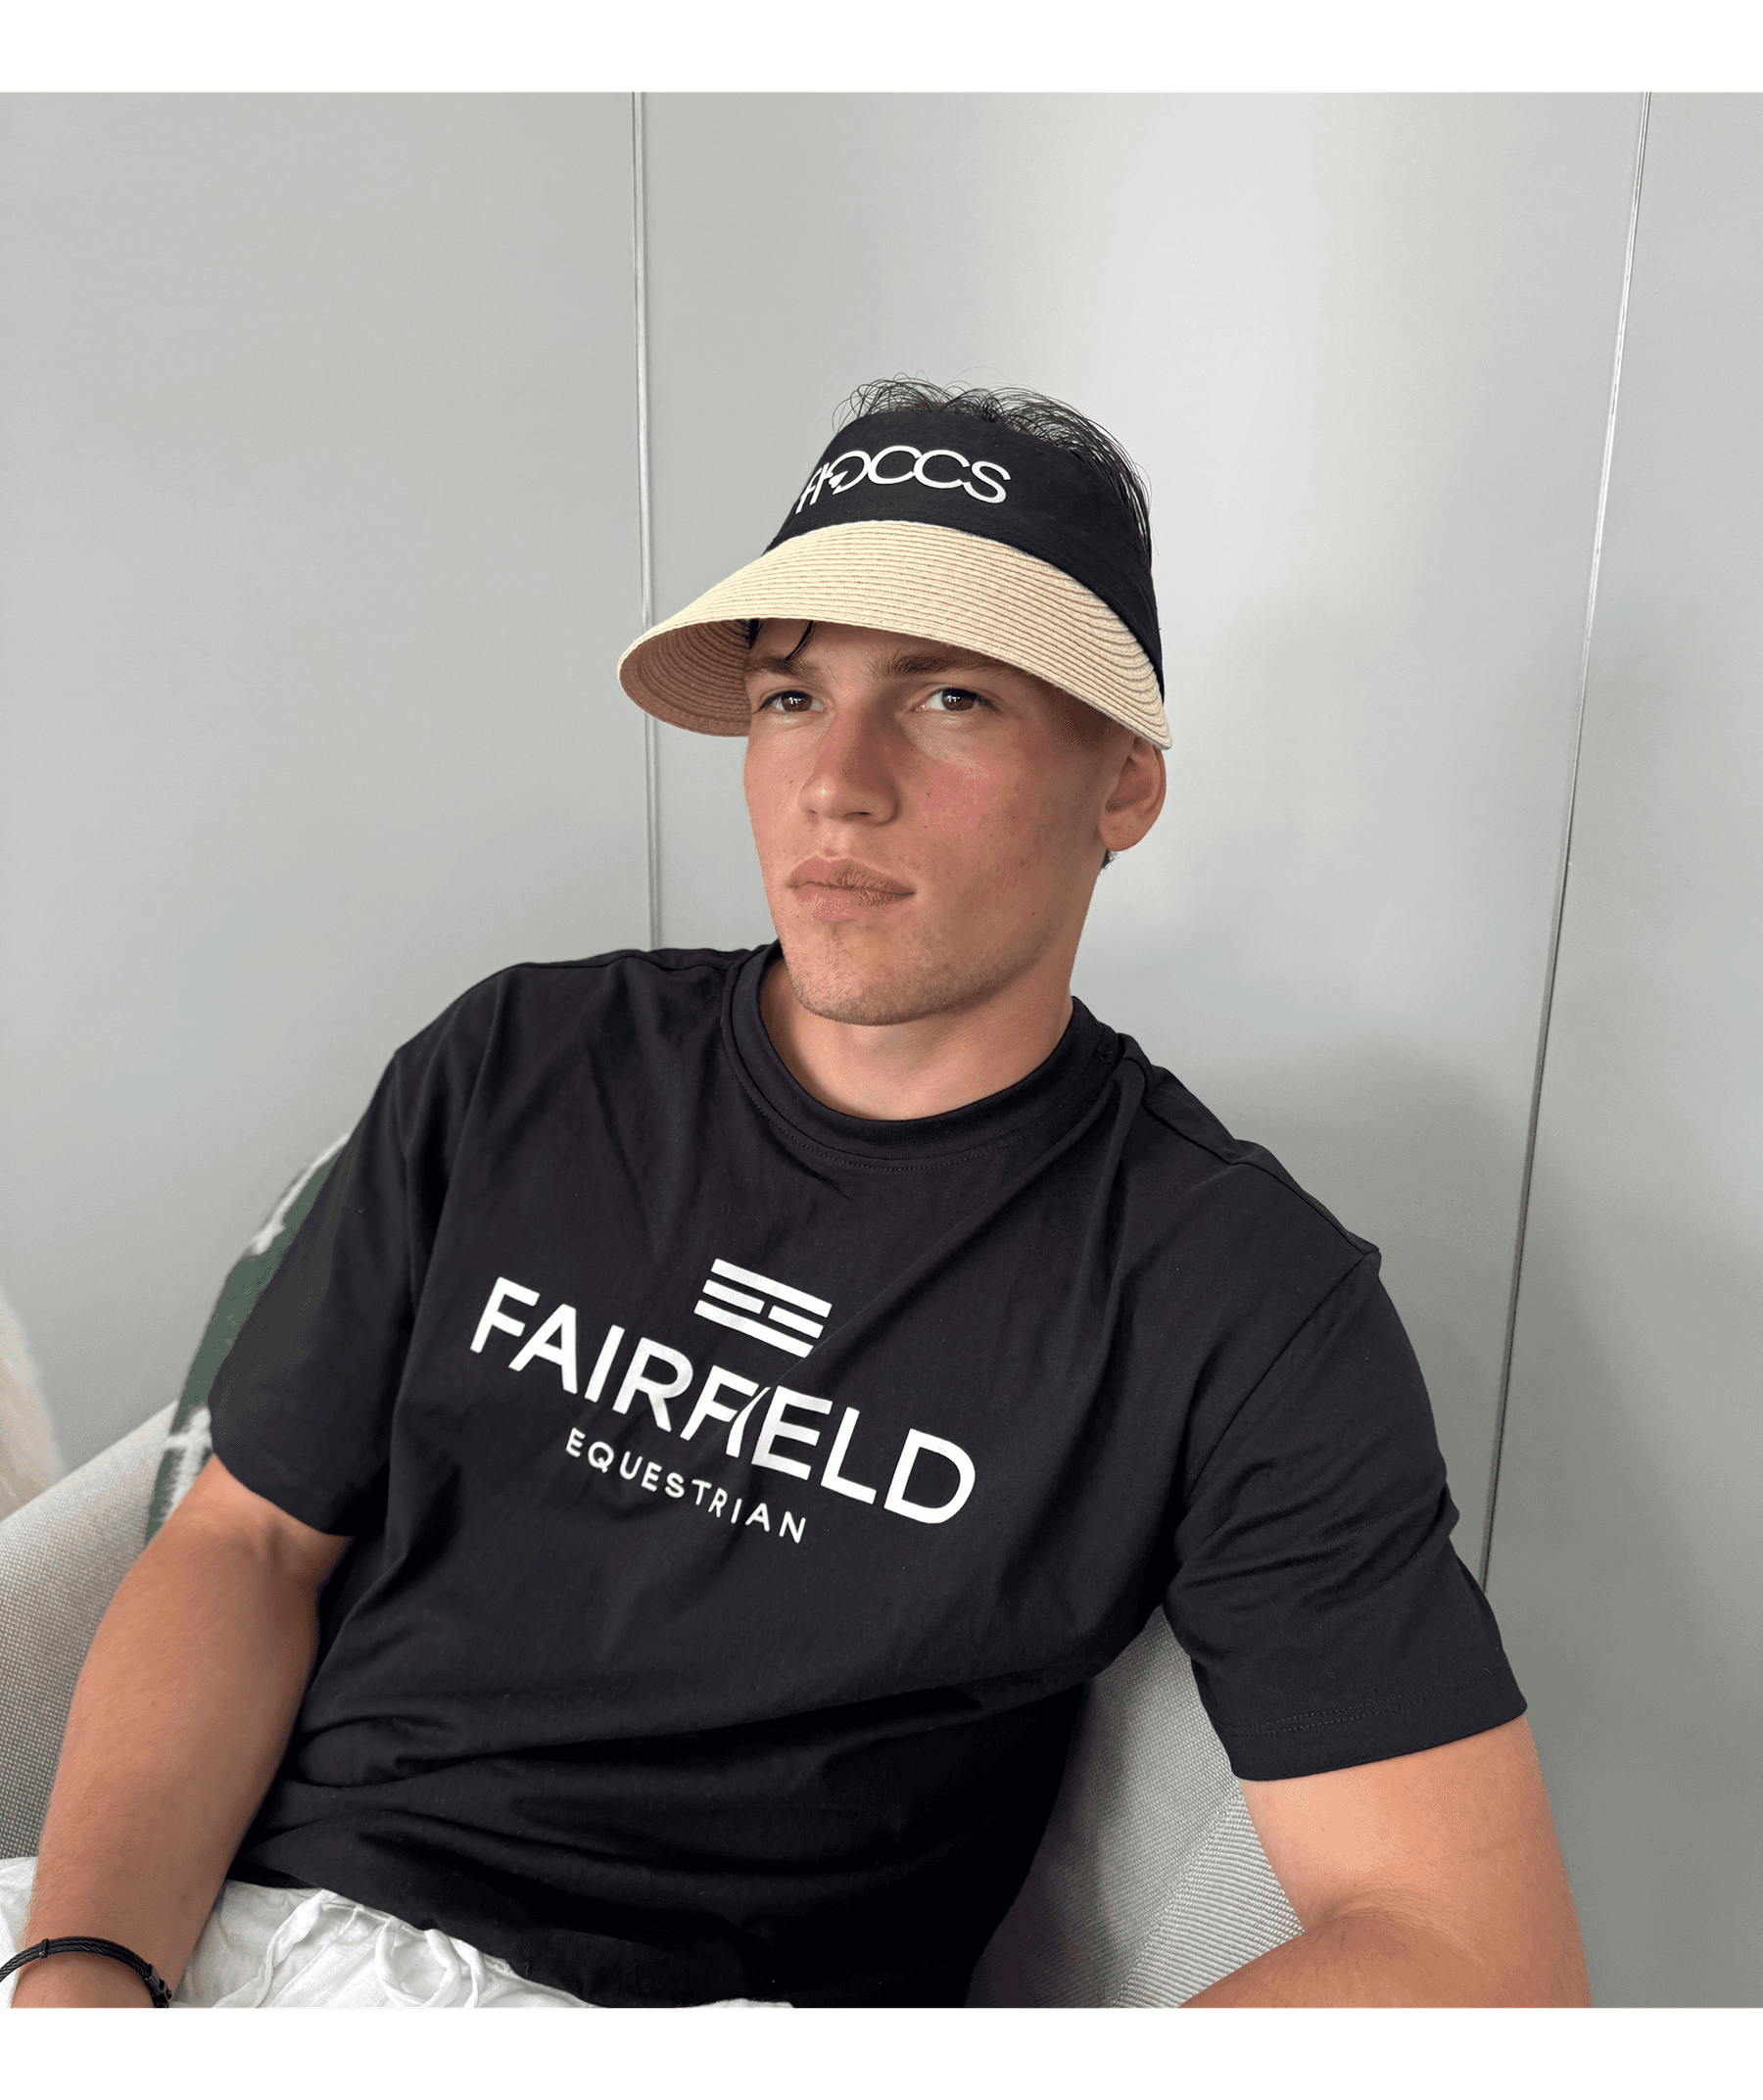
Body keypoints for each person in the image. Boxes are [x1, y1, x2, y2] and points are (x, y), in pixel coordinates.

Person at [3, 380, 1589, 2010]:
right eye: (789, 695)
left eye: (950, 696)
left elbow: (1474, 1953)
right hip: (230, 1936)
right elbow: (248, 1543)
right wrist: (85, 1967)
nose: (838, 780)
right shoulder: (523, 1063)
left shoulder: (1232, 1297)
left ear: (1122, 782)